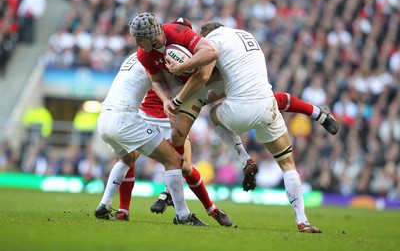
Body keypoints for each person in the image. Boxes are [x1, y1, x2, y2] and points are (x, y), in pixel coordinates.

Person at [164, 21, 324, 233]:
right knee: (287, 165)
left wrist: (180, 87)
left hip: (239, 111)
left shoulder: (212, 42)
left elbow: (204, 76)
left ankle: (244, 157)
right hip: (268, 105)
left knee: (214, 115)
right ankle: (302, 220)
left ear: (206, 34)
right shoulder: (246, 36)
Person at [108, 18, 233, 227]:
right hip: (153, 110)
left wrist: (182, 76)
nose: (138, 46)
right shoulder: (146, 54)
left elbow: (204, 72)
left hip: (177, 109)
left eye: (140, 41)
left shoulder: (185, 44)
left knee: (184, 166)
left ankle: (206, 208)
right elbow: (156, 81)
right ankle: (121, 208)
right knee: (130, 158)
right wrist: (167, 100)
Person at [93, 51, 208, 226]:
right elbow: (166, 82)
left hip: (104, 118)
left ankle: (106, 204)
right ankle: (183, 215)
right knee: (174, 159)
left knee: (127, 159)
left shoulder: (132, 57)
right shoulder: (154, 58)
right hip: (127, 118)